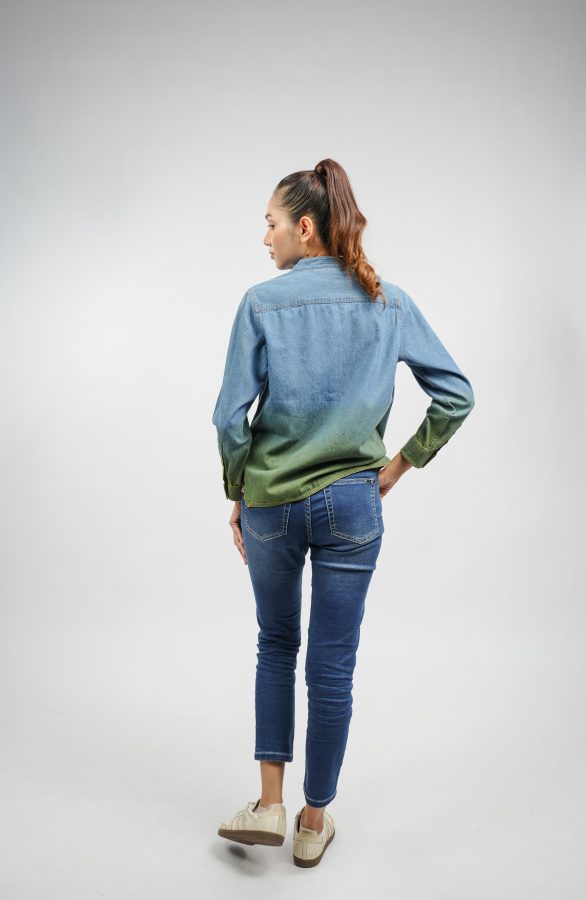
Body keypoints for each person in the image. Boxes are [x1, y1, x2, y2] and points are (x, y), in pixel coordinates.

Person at [212, 158, 475, 867]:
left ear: (304, 227)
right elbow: (456, 395)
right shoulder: (389, 301)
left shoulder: (261, 303)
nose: (264, 237)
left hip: (271, 504)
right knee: (333, 667)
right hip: (353, 505)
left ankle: (268, 803)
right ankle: (312, 823)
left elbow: (230, 419)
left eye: (271, 223)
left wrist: (239, 490)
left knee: (276, 644)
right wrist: (395, 468)